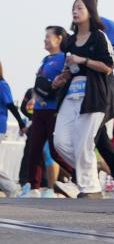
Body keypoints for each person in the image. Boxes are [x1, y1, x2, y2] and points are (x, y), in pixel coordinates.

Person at [52, 0, 114, 199]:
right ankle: (90, 171)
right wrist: (62, 78)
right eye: (73, 8)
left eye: (80, 8)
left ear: (90, 11)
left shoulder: (99, 37)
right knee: (60, 141)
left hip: (93, 97)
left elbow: (107, 67)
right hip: (71, 95)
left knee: (84, 144)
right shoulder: (70, 41)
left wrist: (83, 60)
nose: (75, 11)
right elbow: (70, 69)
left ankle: (91, 189)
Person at [76, 0, 114, 199]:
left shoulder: (105, 25)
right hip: (83, 88)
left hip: (102, 86)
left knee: (94, 133)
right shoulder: (77, 30)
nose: (81, 9)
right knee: (96, 135)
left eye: (86, 5)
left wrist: (113, 64)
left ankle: (87, 182)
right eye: (78, 5)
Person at [19, 27, 67, 196]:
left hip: (54, 110)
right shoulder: (45, 59)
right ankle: (34, 187)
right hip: (39, 110)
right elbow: (39, 83)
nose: (45, 40)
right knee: (34, 149)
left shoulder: (64, 58)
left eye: (48, 36)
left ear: (59, 38)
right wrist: (33, 97)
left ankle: (76, 175)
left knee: (55, 150)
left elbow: (65, 81)